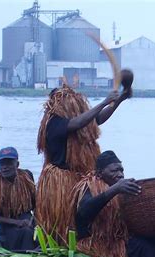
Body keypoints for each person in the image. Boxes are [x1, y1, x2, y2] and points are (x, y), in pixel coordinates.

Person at [35, 84, 132, 243]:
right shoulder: (54, 122)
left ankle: (89, 243)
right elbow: (78, 123)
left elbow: (97, 118)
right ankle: (61, 246)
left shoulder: (79, 120)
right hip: (60, 181)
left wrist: (119, 99)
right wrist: (104, 102)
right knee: (64, 220)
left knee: (84, 217)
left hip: (80, 177)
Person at [74, 150, 155, 257]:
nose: (120, 174)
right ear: (99, 174)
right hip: (99, 244)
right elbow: (83, 212)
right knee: (143, 248)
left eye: (121, 170)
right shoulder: (88, 187)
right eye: (114, 170)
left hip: (120, 239)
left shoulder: (121, 192)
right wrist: (115, 189)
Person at [0, 147, 36, 251]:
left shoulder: (27, 176)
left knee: (40, 232)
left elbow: (36, 204)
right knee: (26, 233)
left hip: (28, 221)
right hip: (7, 226)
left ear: (17, 164)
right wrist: (16, 222)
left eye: (8, 163)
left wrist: (35, 221)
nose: (4, 167)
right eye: (2, 164)